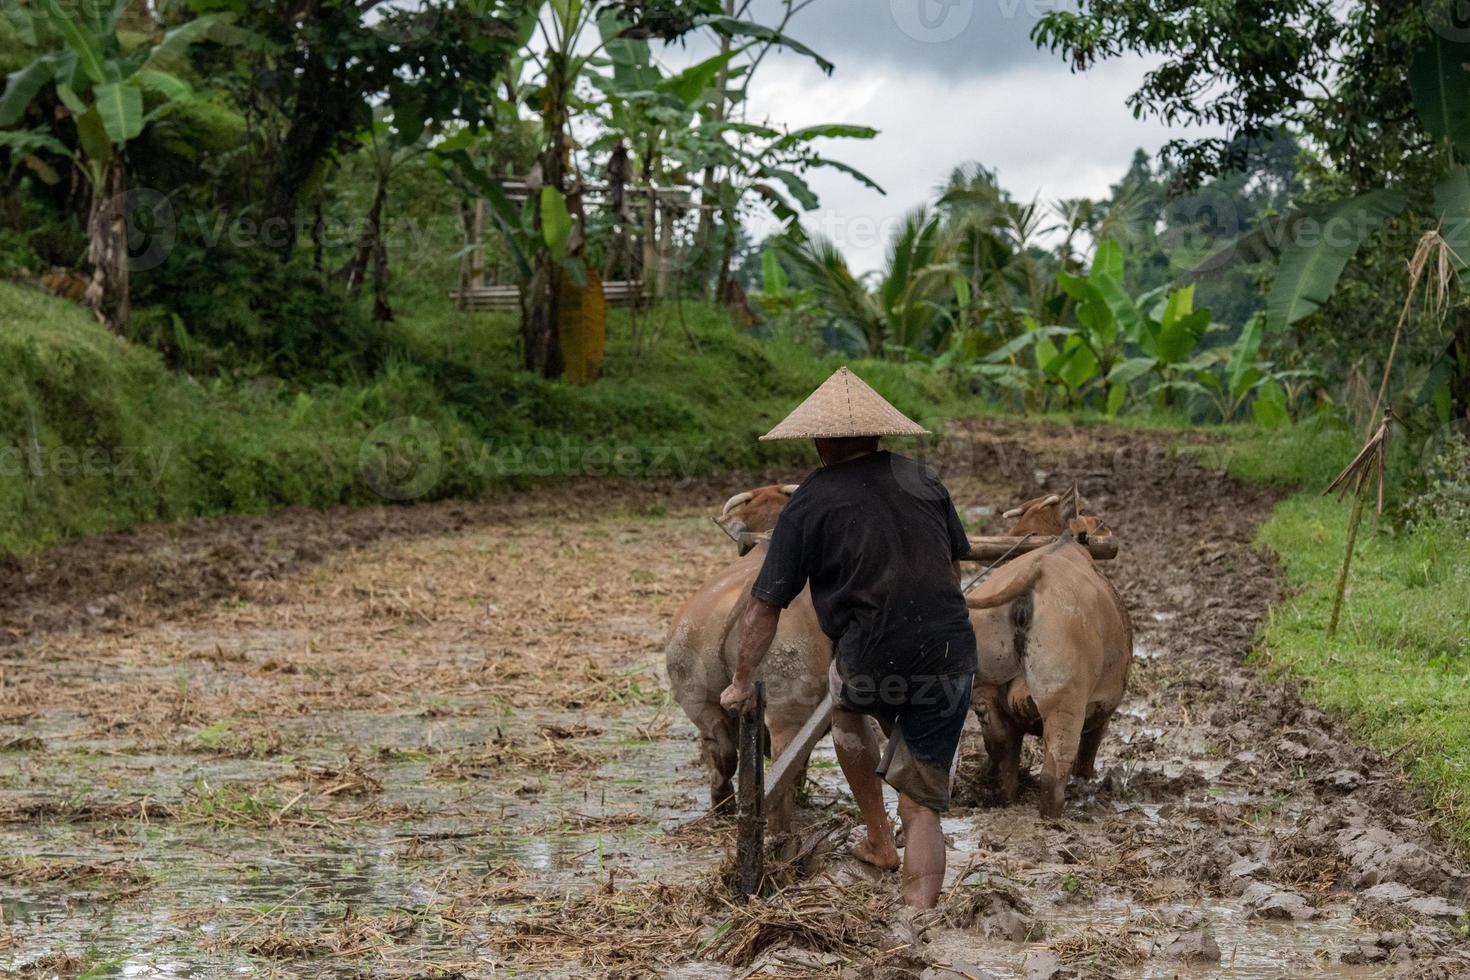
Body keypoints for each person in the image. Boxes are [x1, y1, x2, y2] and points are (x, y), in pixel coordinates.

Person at [719, 367, 977, 910]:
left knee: (844, 702)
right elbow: (952, 572)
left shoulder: (809, 502)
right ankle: (919, 919)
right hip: (951, 652)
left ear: (821, 441)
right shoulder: (924, 480)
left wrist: (742, 681)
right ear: (879, 434)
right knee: (924, 804)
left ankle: (879, 838)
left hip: (872, 659)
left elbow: (766, 605)